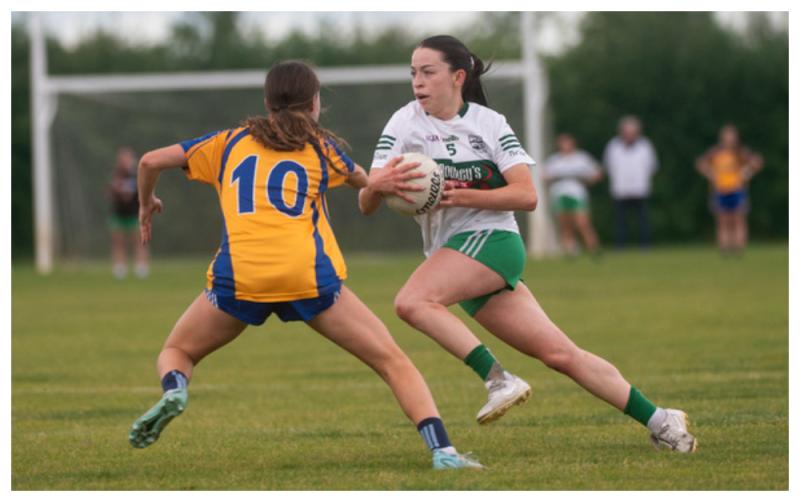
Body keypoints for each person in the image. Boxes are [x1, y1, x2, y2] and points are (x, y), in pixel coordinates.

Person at [127, 60, 483, 470]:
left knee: (177, 350)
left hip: (240, 278)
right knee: (392, 361)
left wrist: (146, 204)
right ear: (315, 103)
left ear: (267, 102)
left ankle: (175, 388)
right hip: (307, 277)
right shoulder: (321, 148)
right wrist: (380, 182)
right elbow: (366, 183)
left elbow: (149, 161)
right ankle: (443, 452)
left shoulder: (228, 142)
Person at [359, 35, 696, 452]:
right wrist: (378, 186)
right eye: (413, 73)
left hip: (493, 240)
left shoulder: (489, 123)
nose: (418, 81)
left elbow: (526, 195)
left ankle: (498, 378)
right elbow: (367, 203)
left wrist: (461, 195)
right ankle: (662, 420)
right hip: (457, 257)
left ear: (458, 77)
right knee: (561, 354)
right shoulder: (404, 122)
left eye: (428, 72)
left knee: (412, 302)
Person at [696, 124, 763, 256]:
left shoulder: (740, 152)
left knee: (738, 219)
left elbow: (757, 162)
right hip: (720, 190)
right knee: (723, 221)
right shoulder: (716, 152)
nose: (729, 139)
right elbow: (701, 163)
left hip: (737, 189)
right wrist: (711, 174)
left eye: (731, 136)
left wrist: (746, 174)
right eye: (727, 136)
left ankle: (738, 249)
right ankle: (725, 249)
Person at [542, 133, 602, 257]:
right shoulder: (555, 160)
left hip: (577, 195)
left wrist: (588, 180)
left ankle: (594, 249)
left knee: (583, 223)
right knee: (566, 226)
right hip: (560, 195)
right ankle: (570, 251)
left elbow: (597, 173)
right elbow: (544, 176)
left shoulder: (582, 158)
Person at [602, 116, 659, 249]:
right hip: (620, 189)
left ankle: (645, 245)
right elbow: (608, 165)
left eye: (632, 132)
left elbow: (652, 166)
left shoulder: (645, 145)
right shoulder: (613, 146)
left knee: (643, 220)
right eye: (626, 132)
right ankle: (620, 246)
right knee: (620, 221)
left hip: (640, 188)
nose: (629, 135)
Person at [108, 146, 149, 279]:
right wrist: (117, 191)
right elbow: (110, 193)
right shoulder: (116, 175)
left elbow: (142, 192)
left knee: (139, 241)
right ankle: (119, 268)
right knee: (118, 242)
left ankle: (141, 267)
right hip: (118, 213)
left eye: (127, 158)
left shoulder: (137, 175)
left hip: (134, 213)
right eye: (122, 159)